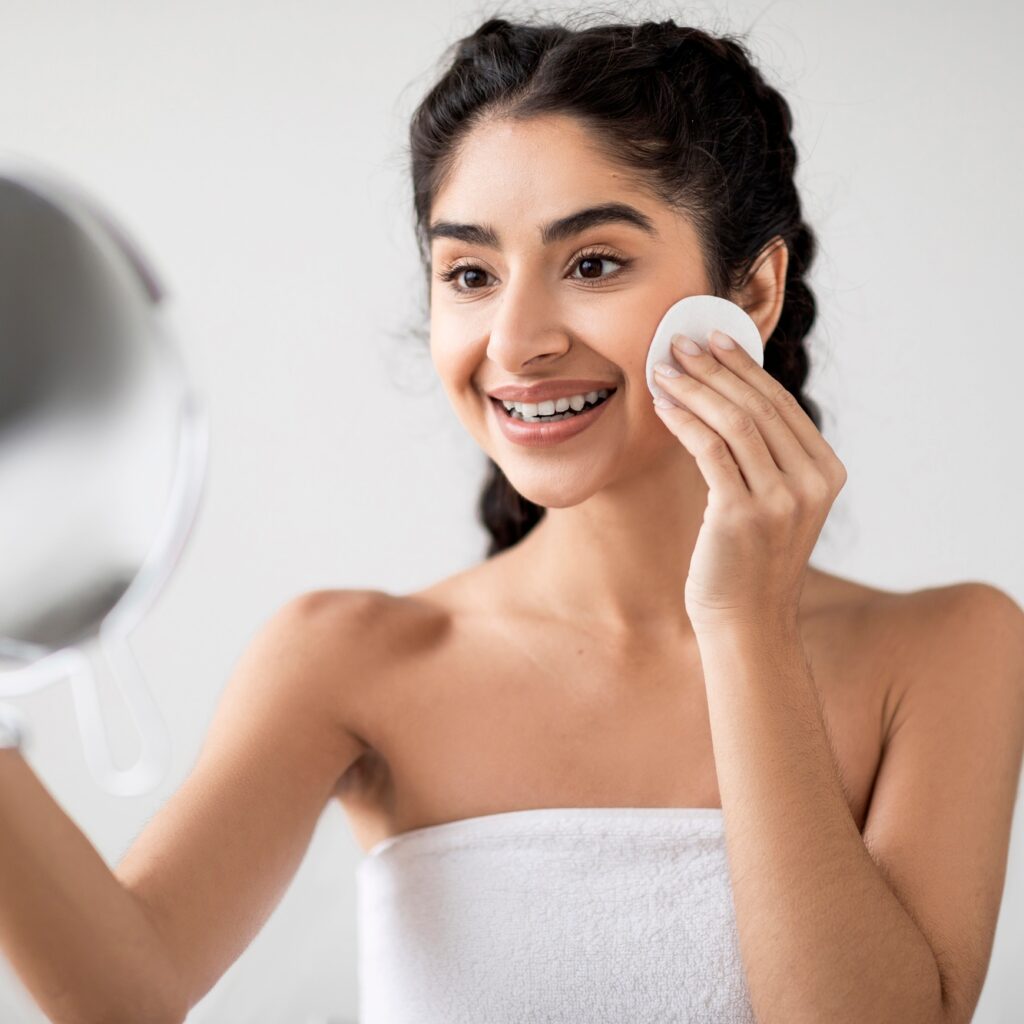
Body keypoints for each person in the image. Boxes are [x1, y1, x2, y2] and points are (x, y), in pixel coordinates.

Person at [2, 14, 1022, 1024]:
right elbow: (119, 996)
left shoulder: (946, 650)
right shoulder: (346, 656)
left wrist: (745, 627)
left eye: (592, 263)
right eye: (470, 275)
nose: (517, 339)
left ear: (749, 290)